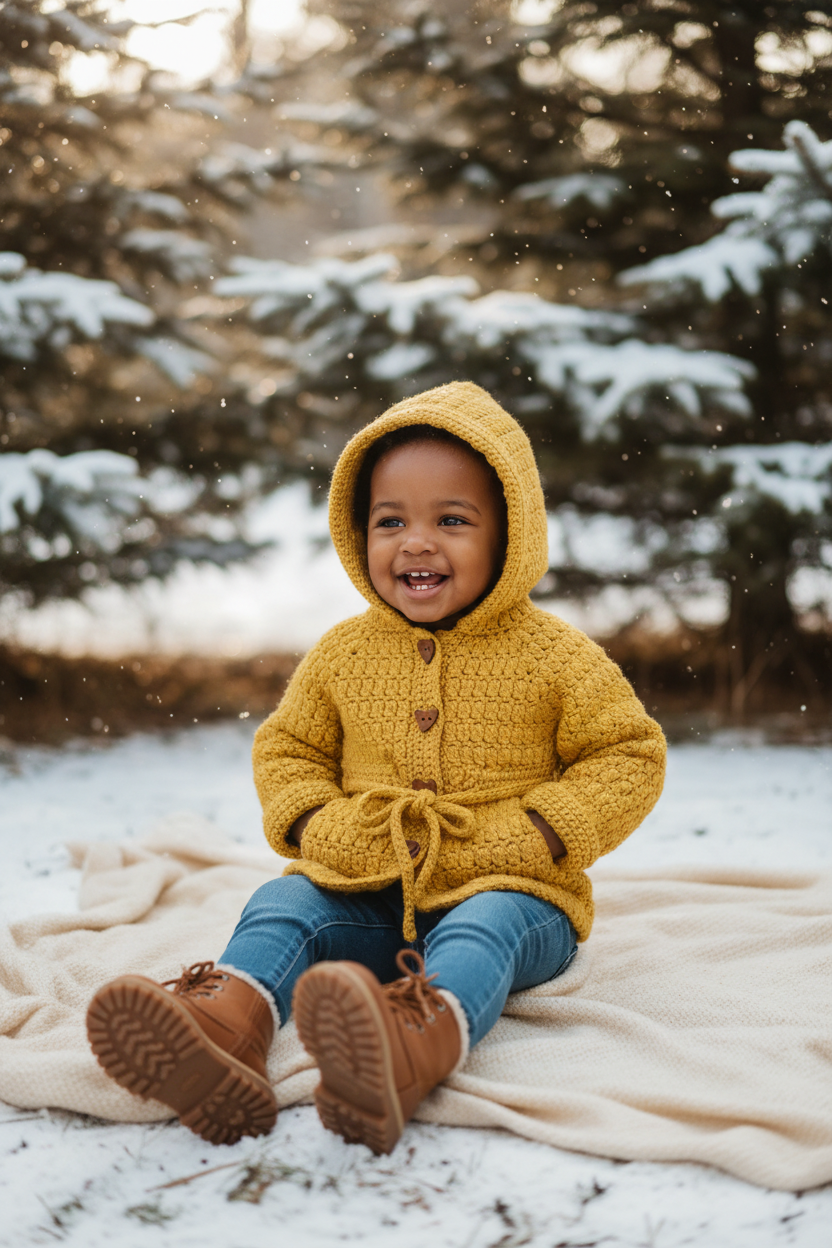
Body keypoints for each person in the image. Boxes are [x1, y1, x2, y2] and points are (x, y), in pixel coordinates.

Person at [87, 381, 666, 1154]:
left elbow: (629, 752)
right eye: (390, 521)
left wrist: (540, 832)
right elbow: (288, 748)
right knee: (283, 905)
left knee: (483, 928)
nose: (416, 543)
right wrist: (319, 824)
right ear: (358, 534)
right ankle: (227, 1025)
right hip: (371, 891)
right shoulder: (342, 653)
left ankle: (408, 1046)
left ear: (511, 536)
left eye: (451, 521)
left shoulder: (554, 655)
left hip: (519, 892)